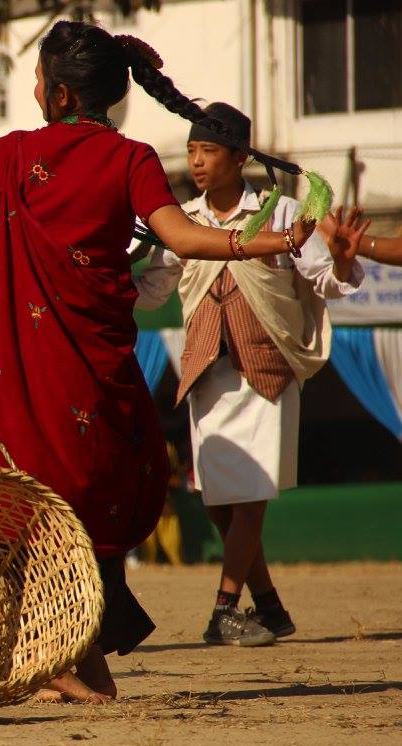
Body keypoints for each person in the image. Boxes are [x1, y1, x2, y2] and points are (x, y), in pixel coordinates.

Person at [0, 21, 326, 702]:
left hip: (20, 373)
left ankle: (63, 663)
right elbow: (184, 238)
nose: (34, 88)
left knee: (25, 512)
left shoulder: (12, 155)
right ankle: (73, 667)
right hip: (99, 375)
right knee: (86, 512)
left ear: (61, 93)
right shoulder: (130, 158)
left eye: (40, 79)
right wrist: (271, 241)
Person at [135, 103, 365, 646]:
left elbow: (322, 281)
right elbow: (153, 292)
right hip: (206, 372)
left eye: (208, 151)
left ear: (239, 158)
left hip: (267, 369)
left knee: (252, 494)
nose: (196, 161)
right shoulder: (182, 219)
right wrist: (96, 282)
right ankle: (271, 608)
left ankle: (223, 610)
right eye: (192, 150)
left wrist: (339, 259)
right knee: (219, 500)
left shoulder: (283, 214)